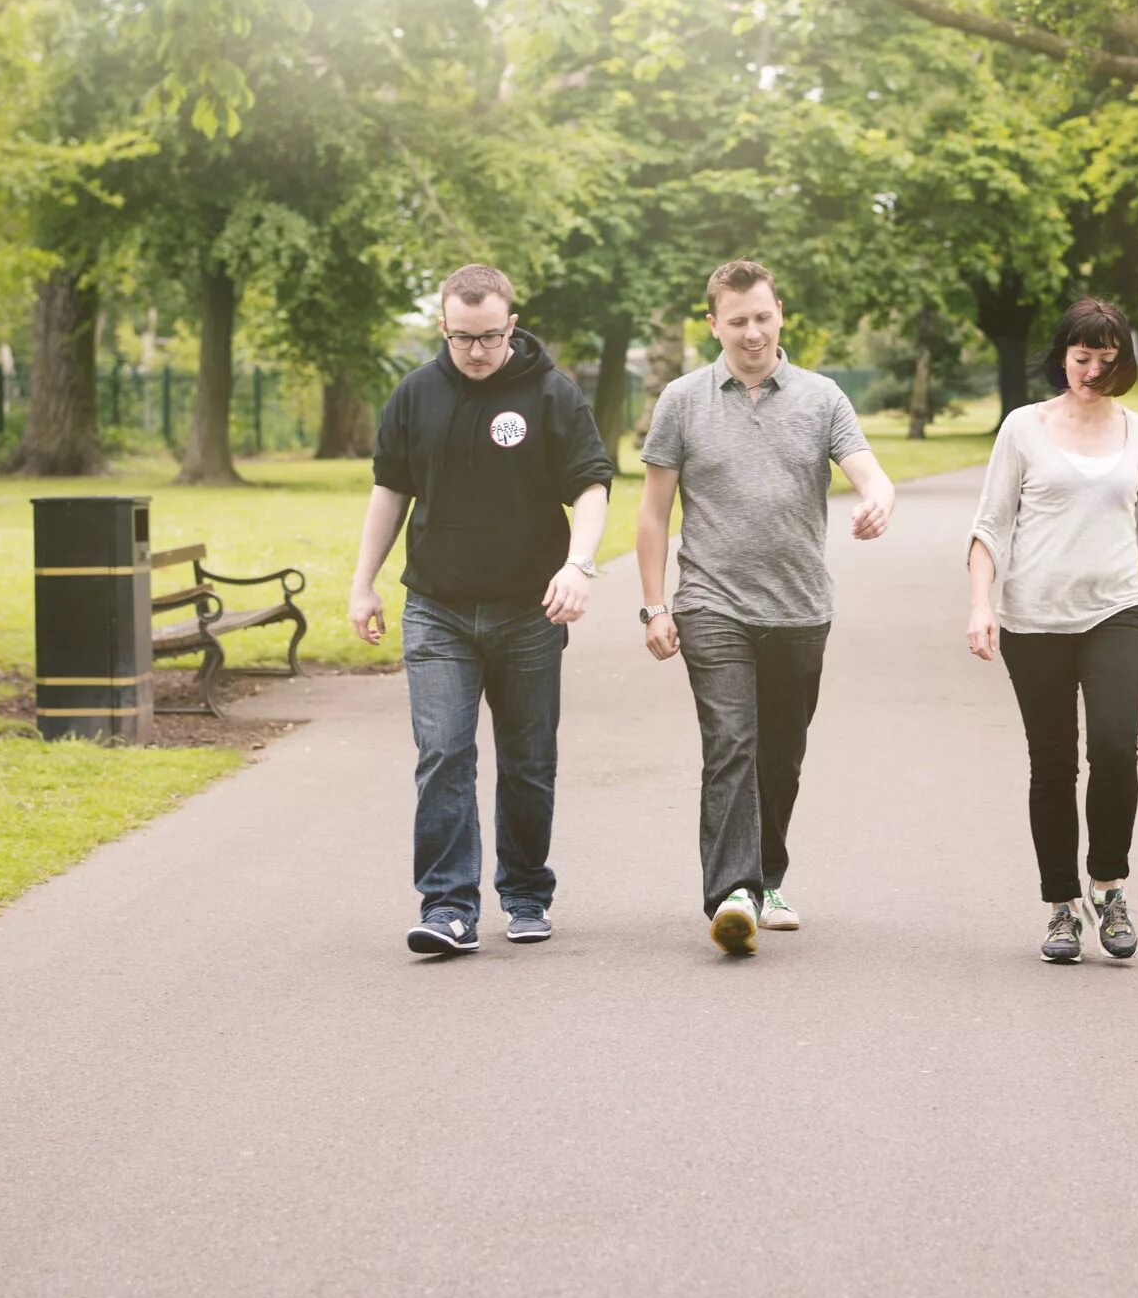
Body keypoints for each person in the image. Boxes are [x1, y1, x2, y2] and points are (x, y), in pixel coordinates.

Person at [349, 264, 614, 955]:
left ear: (511, 325)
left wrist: (577, 565)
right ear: (443, 326)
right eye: (462, 338)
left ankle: (526, 891)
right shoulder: (414, 395)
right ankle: (447, 907)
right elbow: (390, 491)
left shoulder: (551, 395)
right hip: (436, 608)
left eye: (490, 337)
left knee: (528, 760)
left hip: (530, 611)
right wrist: (363, 582)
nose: (476, 351)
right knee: (443, 754)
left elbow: (591, 487)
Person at [636, 259, 898, 956]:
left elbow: (869, 472)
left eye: (763, 317)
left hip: (799, 608)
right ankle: (731, 894)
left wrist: (879, 500)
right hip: (710, 602)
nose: (752, 333)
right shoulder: (682, 401)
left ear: (780, 313)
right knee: (732, 745)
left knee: (781, 756)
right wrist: (655, 606)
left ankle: (767, 877)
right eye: (737, 321)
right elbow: (655, 514)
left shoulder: (822, 398)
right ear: (713, 323)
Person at [964, 297, 1138, 964]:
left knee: (1117, 749)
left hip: (1117, 610)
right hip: (1033, 619)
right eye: (1082, 358)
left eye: (1107, 361)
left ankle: (1110, 885)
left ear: (1124, 363)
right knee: (1055, 763)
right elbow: (989, 527)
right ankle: (1062, 906)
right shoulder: (1023, 429)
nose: (1092, 372)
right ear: (1062, 355)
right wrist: (982, 603)